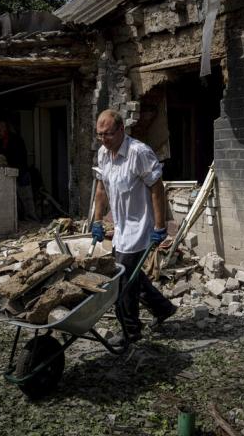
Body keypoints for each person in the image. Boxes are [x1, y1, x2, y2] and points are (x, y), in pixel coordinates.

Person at [92, 109, 177, 347]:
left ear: (121, 130)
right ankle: (163, 308)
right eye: (99, 135)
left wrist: (160, 226)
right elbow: (101, 189)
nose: (103, 140)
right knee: (131, 275)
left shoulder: (138, 153)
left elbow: (156, 188)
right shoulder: (103, 154)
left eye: (107, 134)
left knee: (122, 281)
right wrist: (97, 220)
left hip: (140, 228)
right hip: (120, 226)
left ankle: (131, 331)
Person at [0, 120, 38, 221]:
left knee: (26, 198)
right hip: (10, 173)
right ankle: (21, 218)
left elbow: (19, 157)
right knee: (14, 199)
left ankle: (31, 218)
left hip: (21, 172)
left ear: (5, 129)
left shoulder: (16, 140)